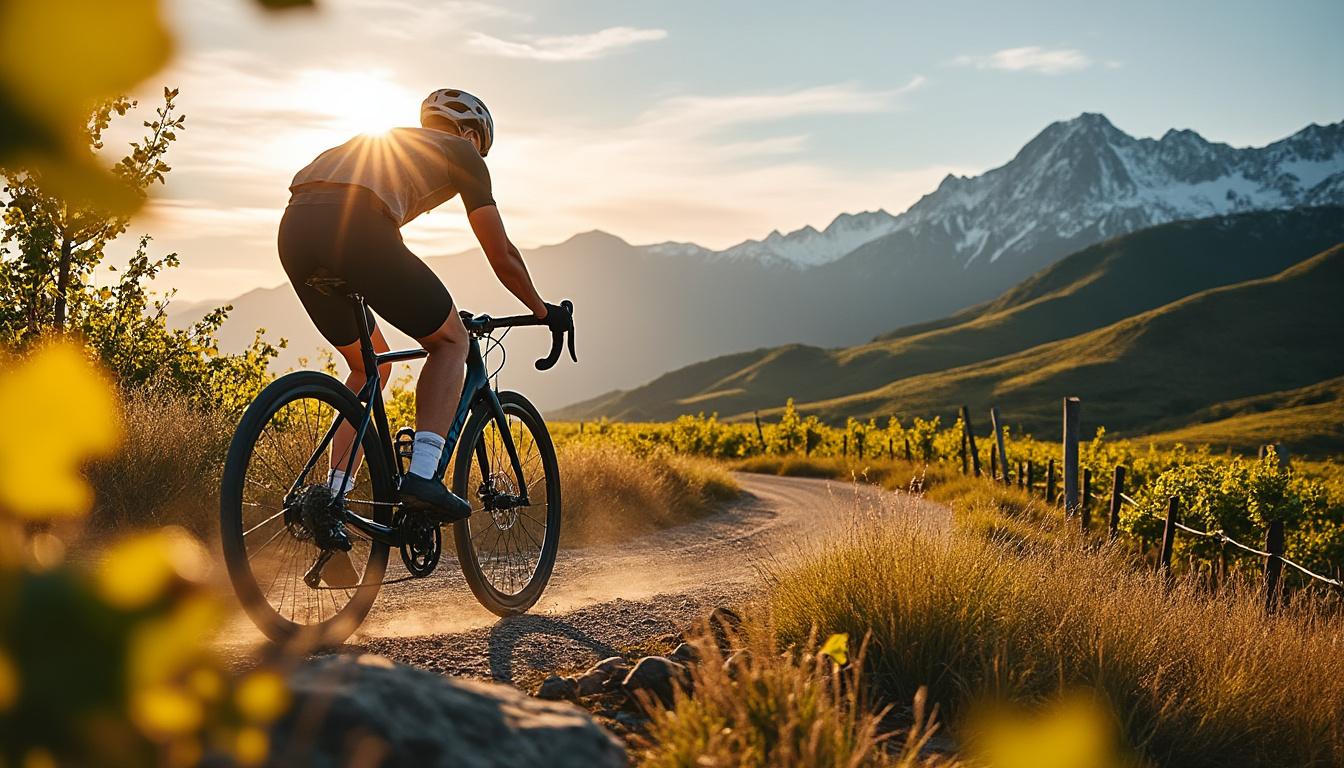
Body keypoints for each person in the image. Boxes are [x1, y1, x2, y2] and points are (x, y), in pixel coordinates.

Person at [277, 88, 571, 530]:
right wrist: (542, 310)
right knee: (451, 341)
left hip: (295, 230)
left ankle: (330, 503)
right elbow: (501, 255)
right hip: (360, 229)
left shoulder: (383, 142)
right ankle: (423, 477)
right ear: (472, 136)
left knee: (367, 365)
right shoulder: (464, 153)